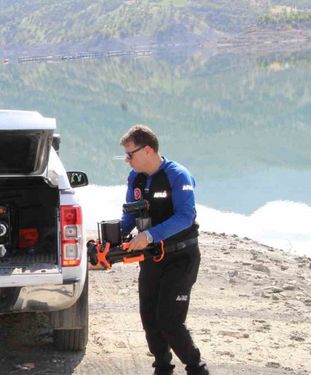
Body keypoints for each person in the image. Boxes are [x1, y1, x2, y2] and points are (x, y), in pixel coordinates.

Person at [119, 125, 209, 375]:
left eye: (130, 154)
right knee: (149, 318)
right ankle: (162, 367)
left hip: (181, 257)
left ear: (147, 150)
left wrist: (149, 235)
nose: (127, 160)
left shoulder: (178, 175)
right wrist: (115, 237)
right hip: (151, 258)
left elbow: (185, 217)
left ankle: (196, 367)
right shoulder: (135, 178)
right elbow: (130, 214)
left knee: (169, 321)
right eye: (125, 156)